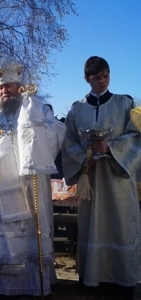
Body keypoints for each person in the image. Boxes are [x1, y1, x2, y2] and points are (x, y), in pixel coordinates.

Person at [0, 58, 66, 298]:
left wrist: (34, 130)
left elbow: (57, 133)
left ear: (20, 86)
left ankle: (34, 285)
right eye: (1, 87)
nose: (5, 91)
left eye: (9, 85)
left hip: (28, 186)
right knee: (2, 239)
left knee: (29, 237)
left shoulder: (37, 108)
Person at [62, 56, 141, 299]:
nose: (103, 80)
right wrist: (85, 156)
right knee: (91, 226)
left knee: (120, 225)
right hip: (91, 180)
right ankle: (90, 279)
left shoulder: (125, 104)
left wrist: (110, 148)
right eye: (97, 77)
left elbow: (136, 137)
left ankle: (122, 280)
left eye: (106, 75)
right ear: (87, 79)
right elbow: (68, 143)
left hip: (117, 180)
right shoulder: (77, 110)